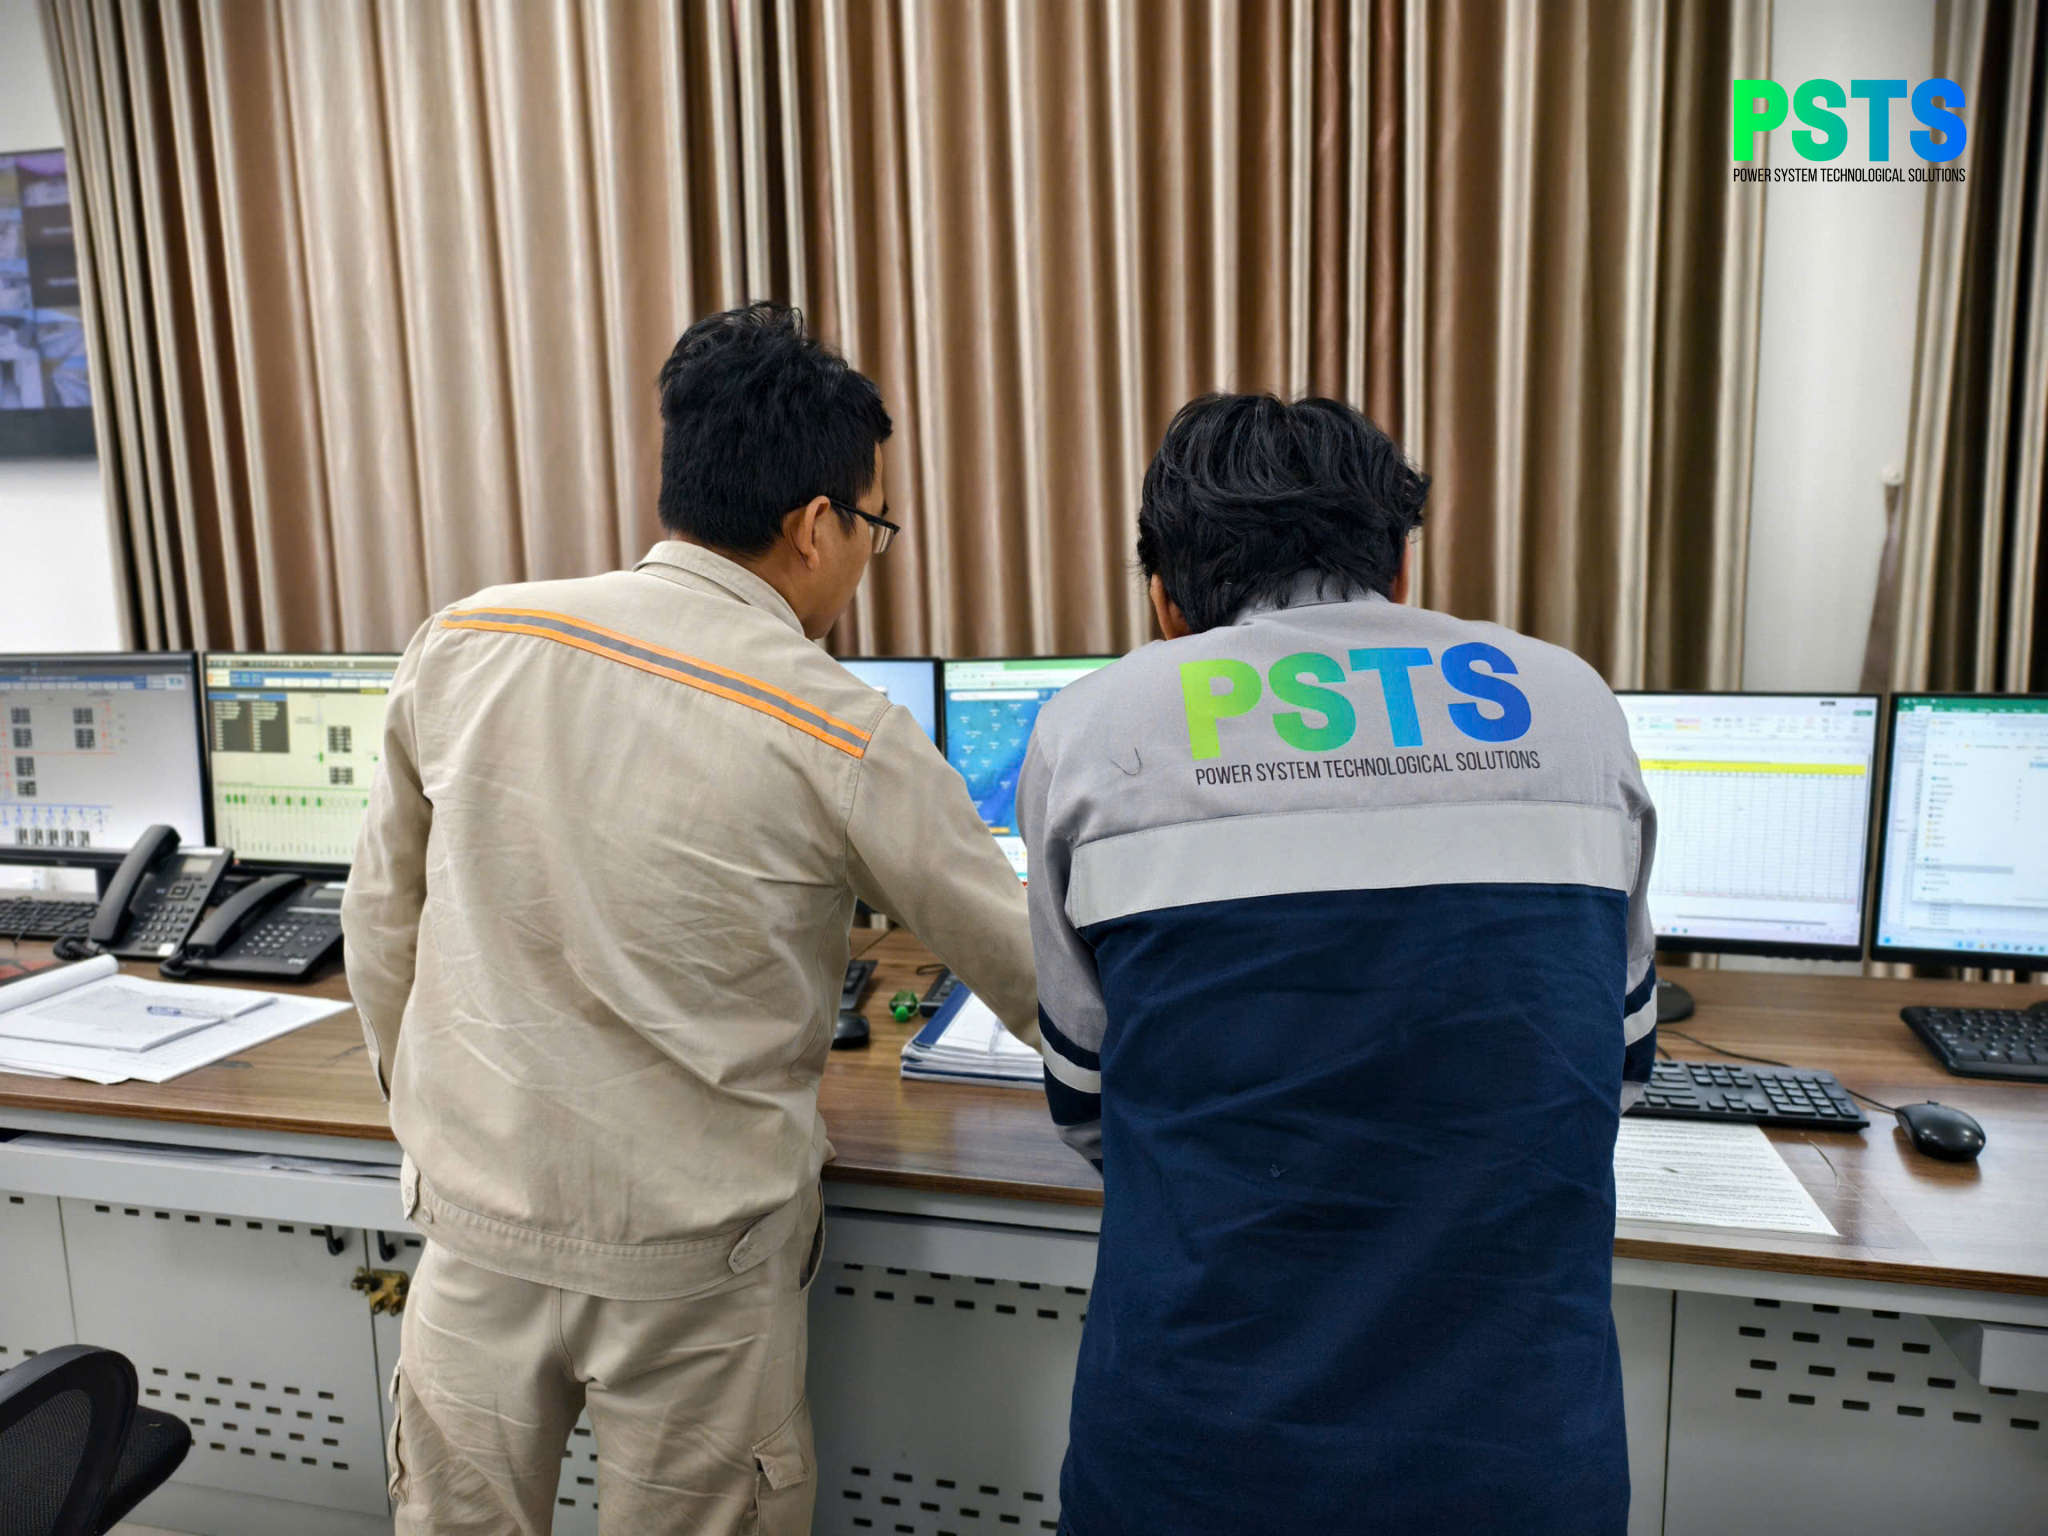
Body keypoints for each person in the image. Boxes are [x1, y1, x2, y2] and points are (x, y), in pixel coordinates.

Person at [343, 303, 1037, 1535]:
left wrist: (438, 1129)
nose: (868, 553)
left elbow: (381, 922)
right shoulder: (838, 727)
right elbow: (1039, 984)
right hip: (695, 1268)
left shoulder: (467, 638)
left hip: (475, 1227)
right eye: (873, 525)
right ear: (814, 524)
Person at [1016, 393, 1658, 1535]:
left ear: (1165, 599)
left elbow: (1090, 1108)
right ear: (1400, 568)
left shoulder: (1095, 730)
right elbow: (1614, 1070)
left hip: (1195, 1457)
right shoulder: (1573, 705)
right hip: (1516, 1459)